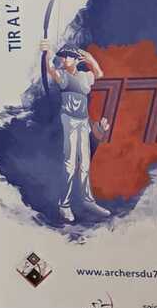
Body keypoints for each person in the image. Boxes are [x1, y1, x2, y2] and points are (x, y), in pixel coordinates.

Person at [41, 41, 113, 223]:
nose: (65, 59)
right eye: (63, 56)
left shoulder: (84, 76)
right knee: (70, 163)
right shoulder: (63, 76)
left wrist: (90, 58)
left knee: (85, 162)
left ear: (75, 59)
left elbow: (99, 73)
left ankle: (88, 200)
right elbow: (50, 69)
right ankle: (64, 205)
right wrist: (47, 53)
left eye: (68, 56)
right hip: (70, 120)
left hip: (83, 121)